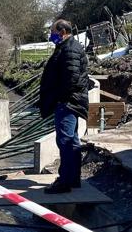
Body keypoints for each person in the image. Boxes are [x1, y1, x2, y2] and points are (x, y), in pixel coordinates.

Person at [37, 19, 90, 194]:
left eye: (52, 31)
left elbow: (71, 79)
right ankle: (72, 178)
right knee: (71, 141)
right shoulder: (66, 47)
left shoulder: (70, 49)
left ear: (62, 32)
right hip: (69, 101)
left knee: (66, 141)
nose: (51, 35)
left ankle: (65, 181)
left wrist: (59, 99)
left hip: (68, 102)